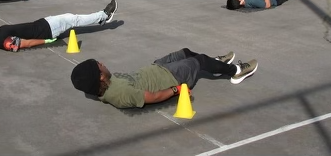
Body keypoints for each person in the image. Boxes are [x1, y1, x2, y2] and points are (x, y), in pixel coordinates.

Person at [70, 48, 258, 109]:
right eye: (99, 65)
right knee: (198, 61)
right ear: (101, 76)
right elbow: (152, 98)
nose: (102, 63)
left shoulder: (100, 86)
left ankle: (214, 63)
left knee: (184, 52)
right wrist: (177, 90)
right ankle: (235, 71)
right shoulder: (119, 93)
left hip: (156, 67)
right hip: (171, 77)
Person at [0, 0, 118, 52]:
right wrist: (47, 41)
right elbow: (24, 44)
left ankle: (101, 18)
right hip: (47, 29)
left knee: (71, 18)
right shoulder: (3, 40)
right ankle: (104, 16)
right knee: (73, 19)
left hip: (44, 24)